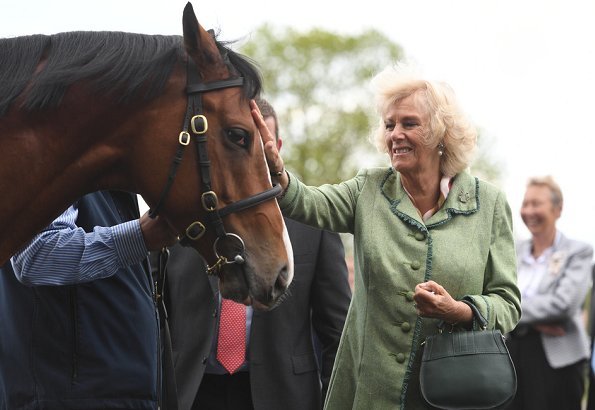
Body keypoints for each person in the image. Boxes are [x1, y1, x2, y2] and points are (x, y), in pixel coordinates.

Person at [251, 64, 521, 409]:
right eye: (389, 124)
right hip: (370, 395)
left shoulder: (489, 204)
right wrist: (276, 170)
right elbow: (307, 203)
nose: (395, 134)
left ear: (442, 133)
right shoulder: (369, 188)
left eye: (409, 123)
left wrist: (459, 310)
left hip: (453, 394)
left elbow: (508, 303)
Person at [161, 97, 352, 410]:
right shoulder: (186, 213)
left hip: (284, 395)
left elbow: (336, 332)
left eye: (262, 145)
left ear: (278, 146)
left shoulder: (312, 222)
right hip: (192, 392)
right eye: (239, 143)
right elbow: (155, 317)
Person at [0, 190, 178, 410]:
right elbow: (35, 254)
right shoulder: (63, 168)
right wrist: (139, 237)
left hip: (108, 392)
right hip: (74, 394)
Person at [507, 176, 593, 410]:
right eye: (525, 204)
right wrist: (535, 321)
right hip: (511, 353)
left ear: (558, 209)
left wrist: (509, 312)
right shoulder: (512, 250)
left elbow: (563, 304)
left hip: (558, 360)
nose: (528, 211)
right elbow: (494, 294)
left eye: (536, 204)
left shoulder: (578, 252)